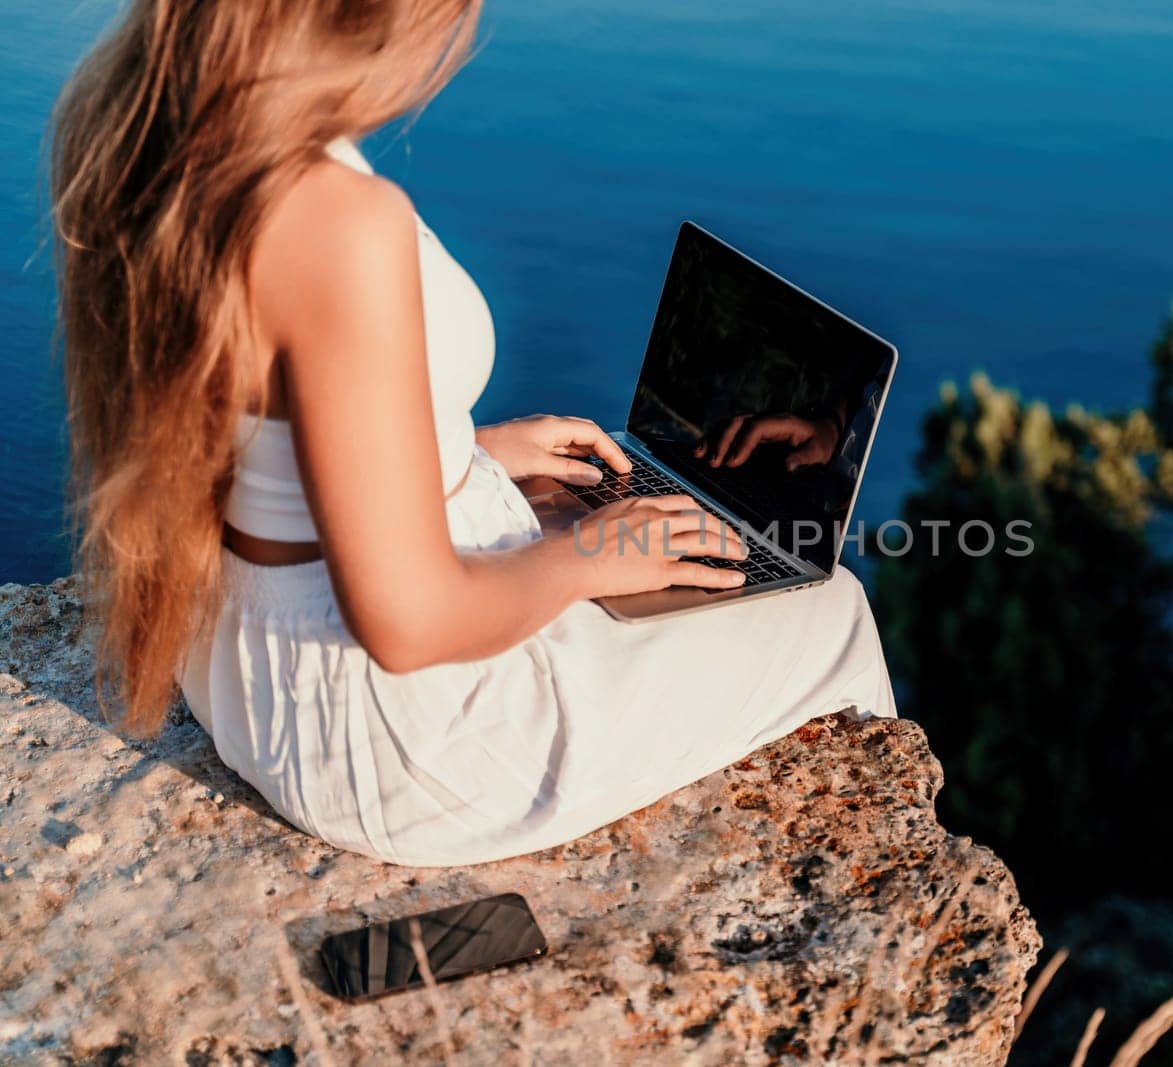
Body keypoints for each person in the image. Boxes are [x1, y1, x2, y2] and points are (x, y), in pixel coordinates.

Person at [49, 0, 896, 867]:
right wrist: (588, 558)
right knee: (831, 611)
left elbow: (261, 434)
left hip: (246, 667)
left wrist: (462, 454)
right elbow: (408, 625)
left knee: (631, 527)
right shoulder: (339, 220)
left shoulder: (154, 117)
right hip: (399, 737)